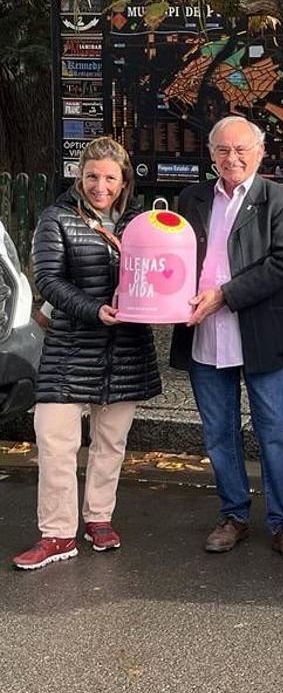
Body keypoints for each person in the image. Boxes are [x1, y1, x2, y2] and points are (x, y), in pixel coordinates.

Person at [13, 137, 162, 569]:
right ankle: (58, 533)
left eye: (110, 178)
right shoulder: (56, 218)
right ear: (80, 176)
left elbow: (161, 273)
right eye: (92, 176)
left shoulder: (140, 223)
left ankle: (99, 518)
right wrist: (95, 310)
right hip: (69, 347)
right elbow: (50, 281)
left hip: (126, 349)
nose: (100, 185)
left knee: (110, 442)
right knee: (55, 440)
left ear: (124, 180)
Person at [169, 116, 283, 562]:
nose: (232, 158)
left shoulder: (282, 202)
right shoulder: (190, 199)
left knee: (274, 434)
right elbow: (171, 258)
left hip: (260, 336)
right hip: (203, 336)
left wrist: (225, 296)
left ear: (260, 152)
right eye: (223, 150)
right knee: (218, 434)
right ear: (211, 154)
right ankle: (233, 514)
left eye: (241, 149)